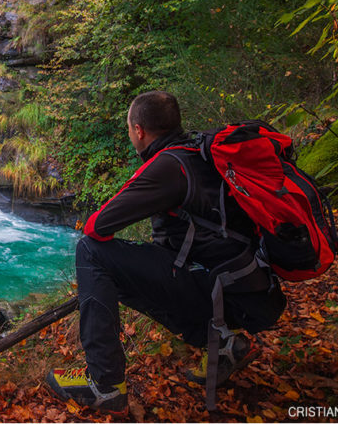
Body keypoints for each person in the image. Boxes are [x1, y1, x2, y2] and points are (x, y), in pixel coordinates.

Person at [46, 91, 286, 416]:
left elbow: (96, 227)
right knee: (143, 266)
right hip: (252, 289)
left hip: (225, 291)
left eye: (129, 128)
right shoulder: (198, 154)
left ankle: (104, 386)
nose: (130, 134)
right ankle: (225, 344)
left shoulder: (168, 166)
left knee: (91, 252)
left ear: (139, 130)